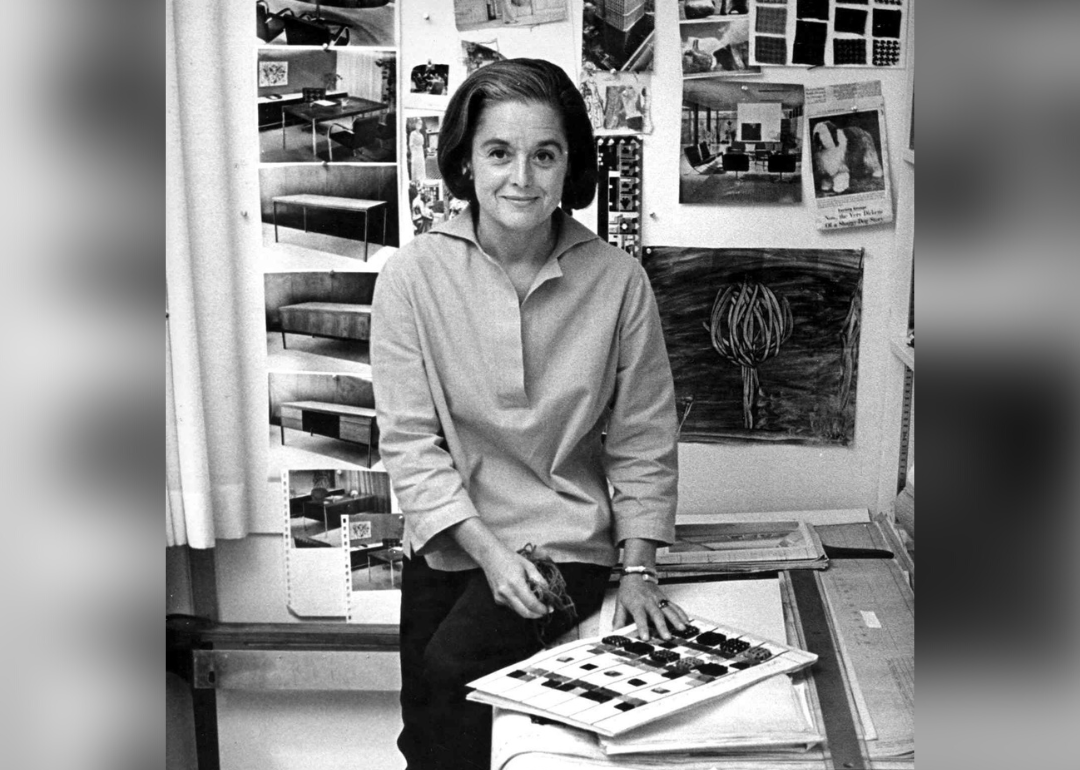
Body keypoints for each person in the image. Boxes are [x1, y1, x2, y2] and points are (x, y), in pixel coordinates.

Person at [371, 59, 683, 770]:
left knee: (454, 672)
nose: (522, 177)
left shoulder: (618, 281)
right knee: (425, 731)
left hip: (563, 540)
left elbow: (642, 436)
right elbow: (412, 445)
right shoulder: (409, 278)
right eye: (499, 152)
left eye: (545, 154)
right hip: (451, 539)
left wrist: (640, 570)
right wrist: (487, 552)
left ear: (570, 164)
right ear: (465, 162)